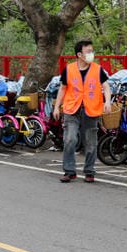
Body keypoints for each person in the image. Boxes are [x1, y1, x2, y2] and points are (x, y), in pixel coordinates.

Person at [52, 40, 112, 183]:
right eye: (88, 51)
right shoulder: (69, 69)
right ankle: (69, 171)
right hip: (72, 108)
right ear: (79, 54)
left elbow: (106, 86)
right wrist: (56, 107)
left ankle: (89, 171)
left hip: (91, 109)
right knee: (70, 139)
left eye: (92, 51)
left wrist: (108, 101)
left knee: (91, 142)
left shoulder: (98, 69)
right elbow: (63, 88)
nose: (91, 54)